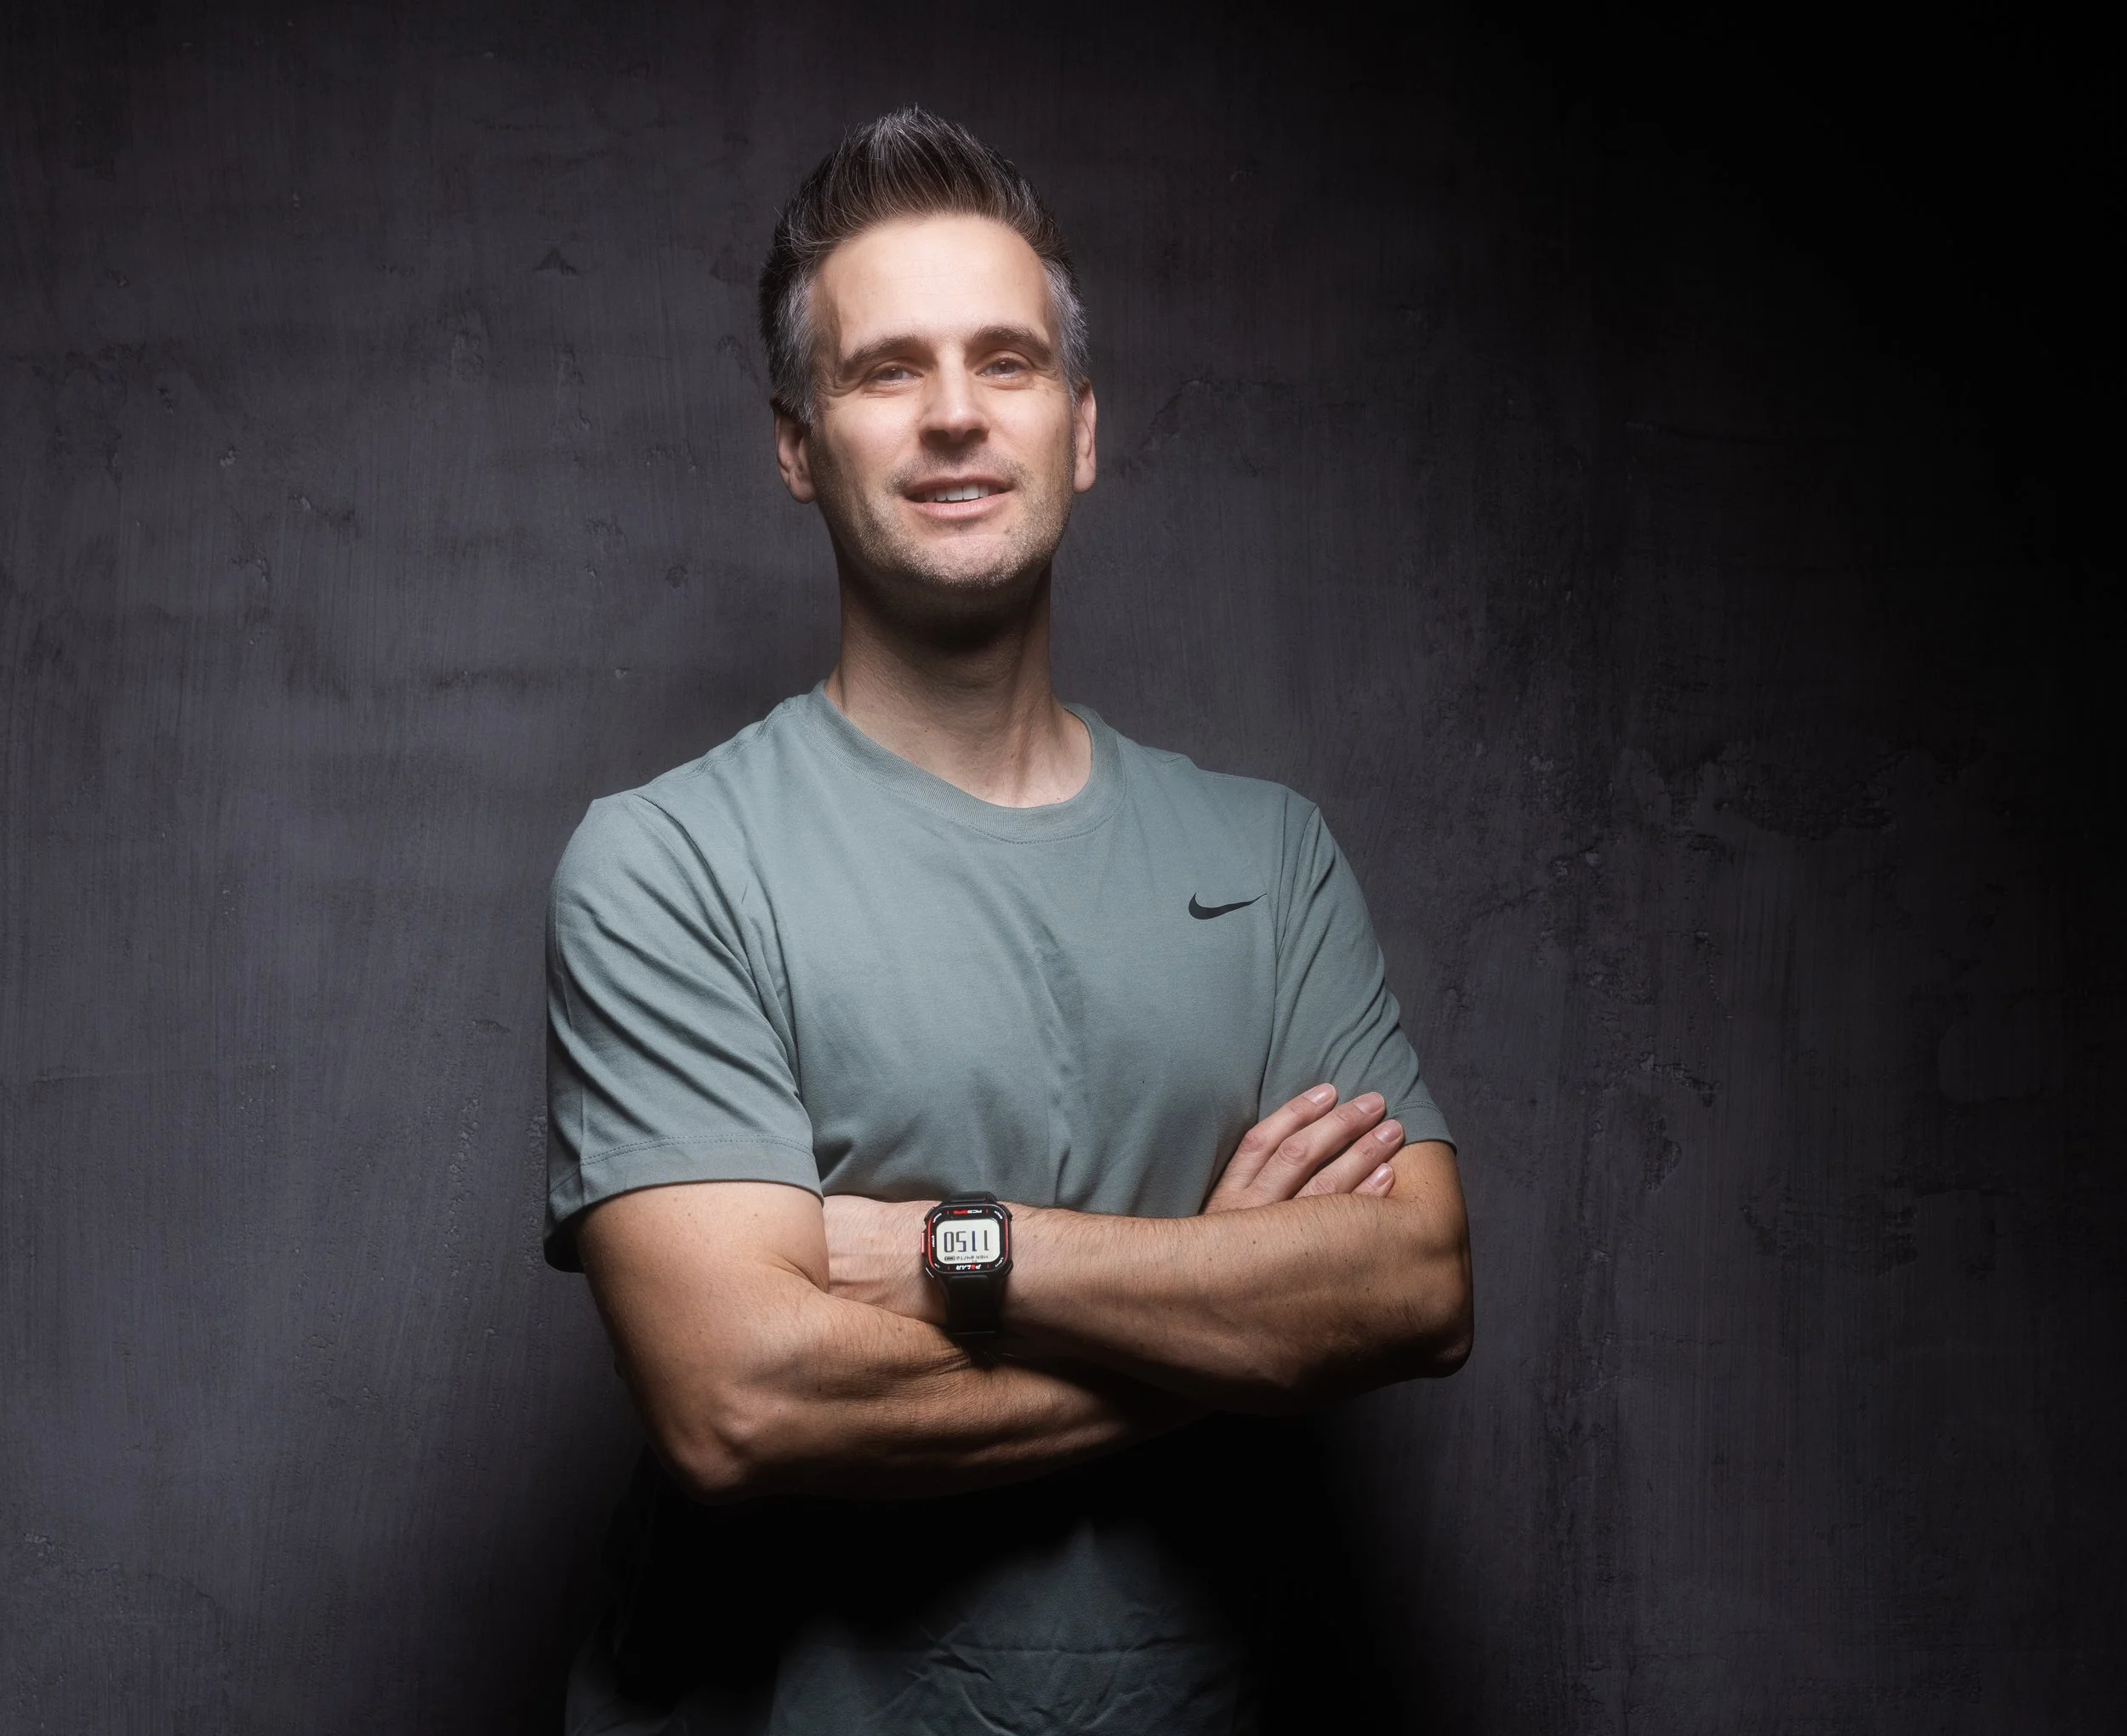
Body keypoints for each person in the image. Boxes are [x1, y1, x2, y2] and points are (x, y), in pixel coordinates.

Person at [545, 107, 1473, 1735]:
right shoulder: (669, 864)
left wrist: (929, 1251)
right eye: (887, 369)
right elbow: (744, 1400)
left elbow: (1413, 1290)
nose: (956, 416)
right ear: (796, 441)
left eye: (1008, 362)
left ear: (1084, 425)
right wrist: (1234, 1309)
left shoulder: (1268, 856)